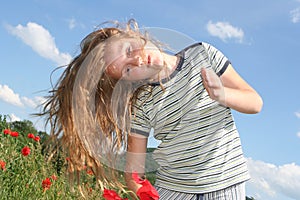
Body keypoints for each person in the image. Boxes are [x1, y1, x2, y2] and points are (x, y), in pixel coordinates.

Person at [41, 19, 263, 199]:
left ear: (133, 33)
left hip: (225, 184)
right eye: (127, 70)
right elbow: (134, 173)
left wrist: (222, 95)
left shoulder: (203, 54)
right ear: (127, 82)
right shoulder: (142, 104)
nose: (136, 61)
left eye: (128, 50)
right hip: (174, 191)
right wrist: (146, 194)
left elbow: (255, 102)